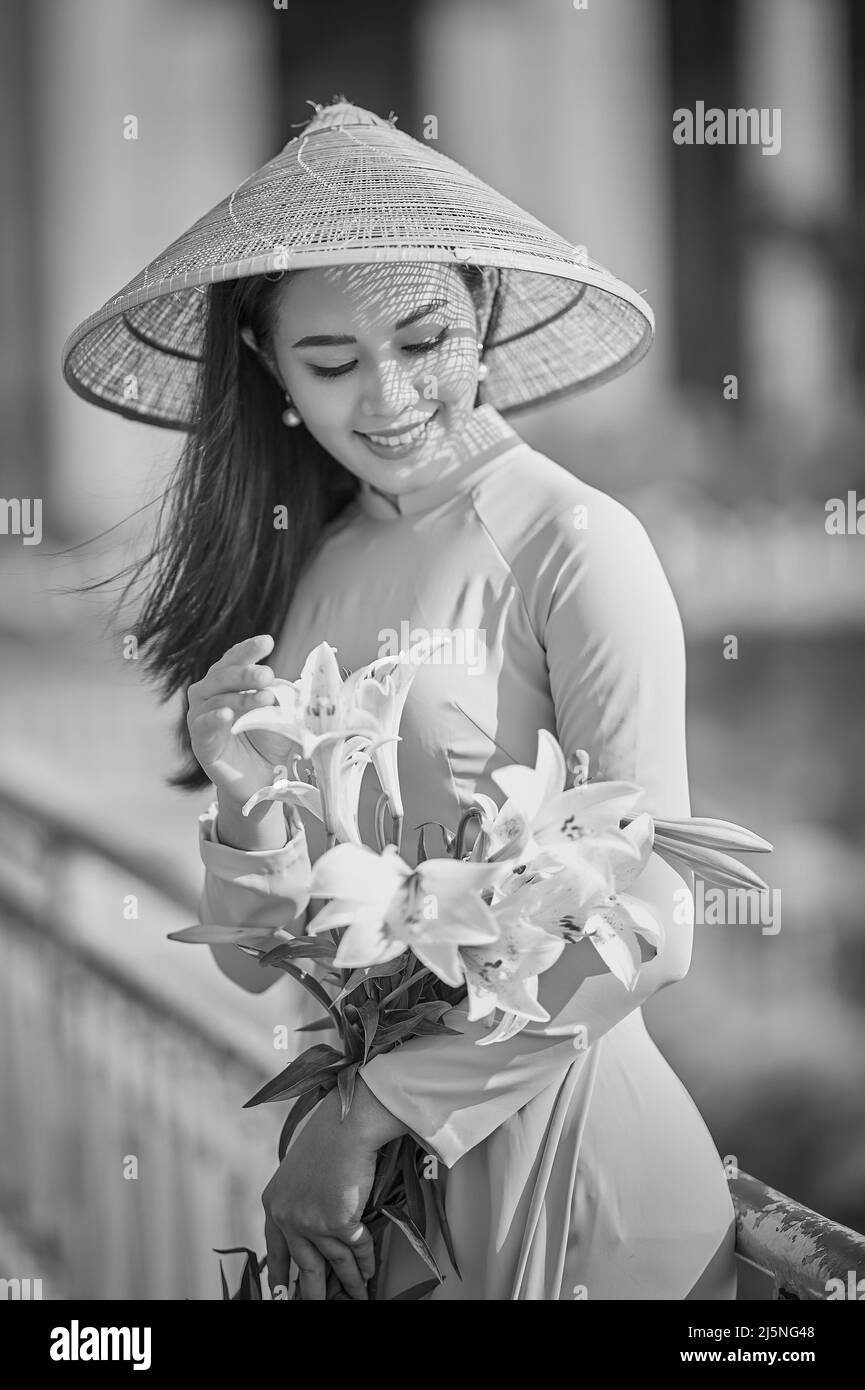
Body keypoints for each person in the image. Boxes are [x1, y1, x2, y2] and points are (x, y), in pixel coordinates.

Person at [62, 100, 738, 1301]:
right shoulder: (307, 564)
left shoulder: (575, 544)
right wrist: (242, 803)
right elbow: (267, 970)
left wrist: (371, 1110)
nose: (387, 397)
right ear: (269, 364)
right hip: (391, 1221)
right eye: (330, 363)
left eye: (424, 340)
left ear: (480, 312)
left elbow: (651, 912)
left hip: (585, 1185)